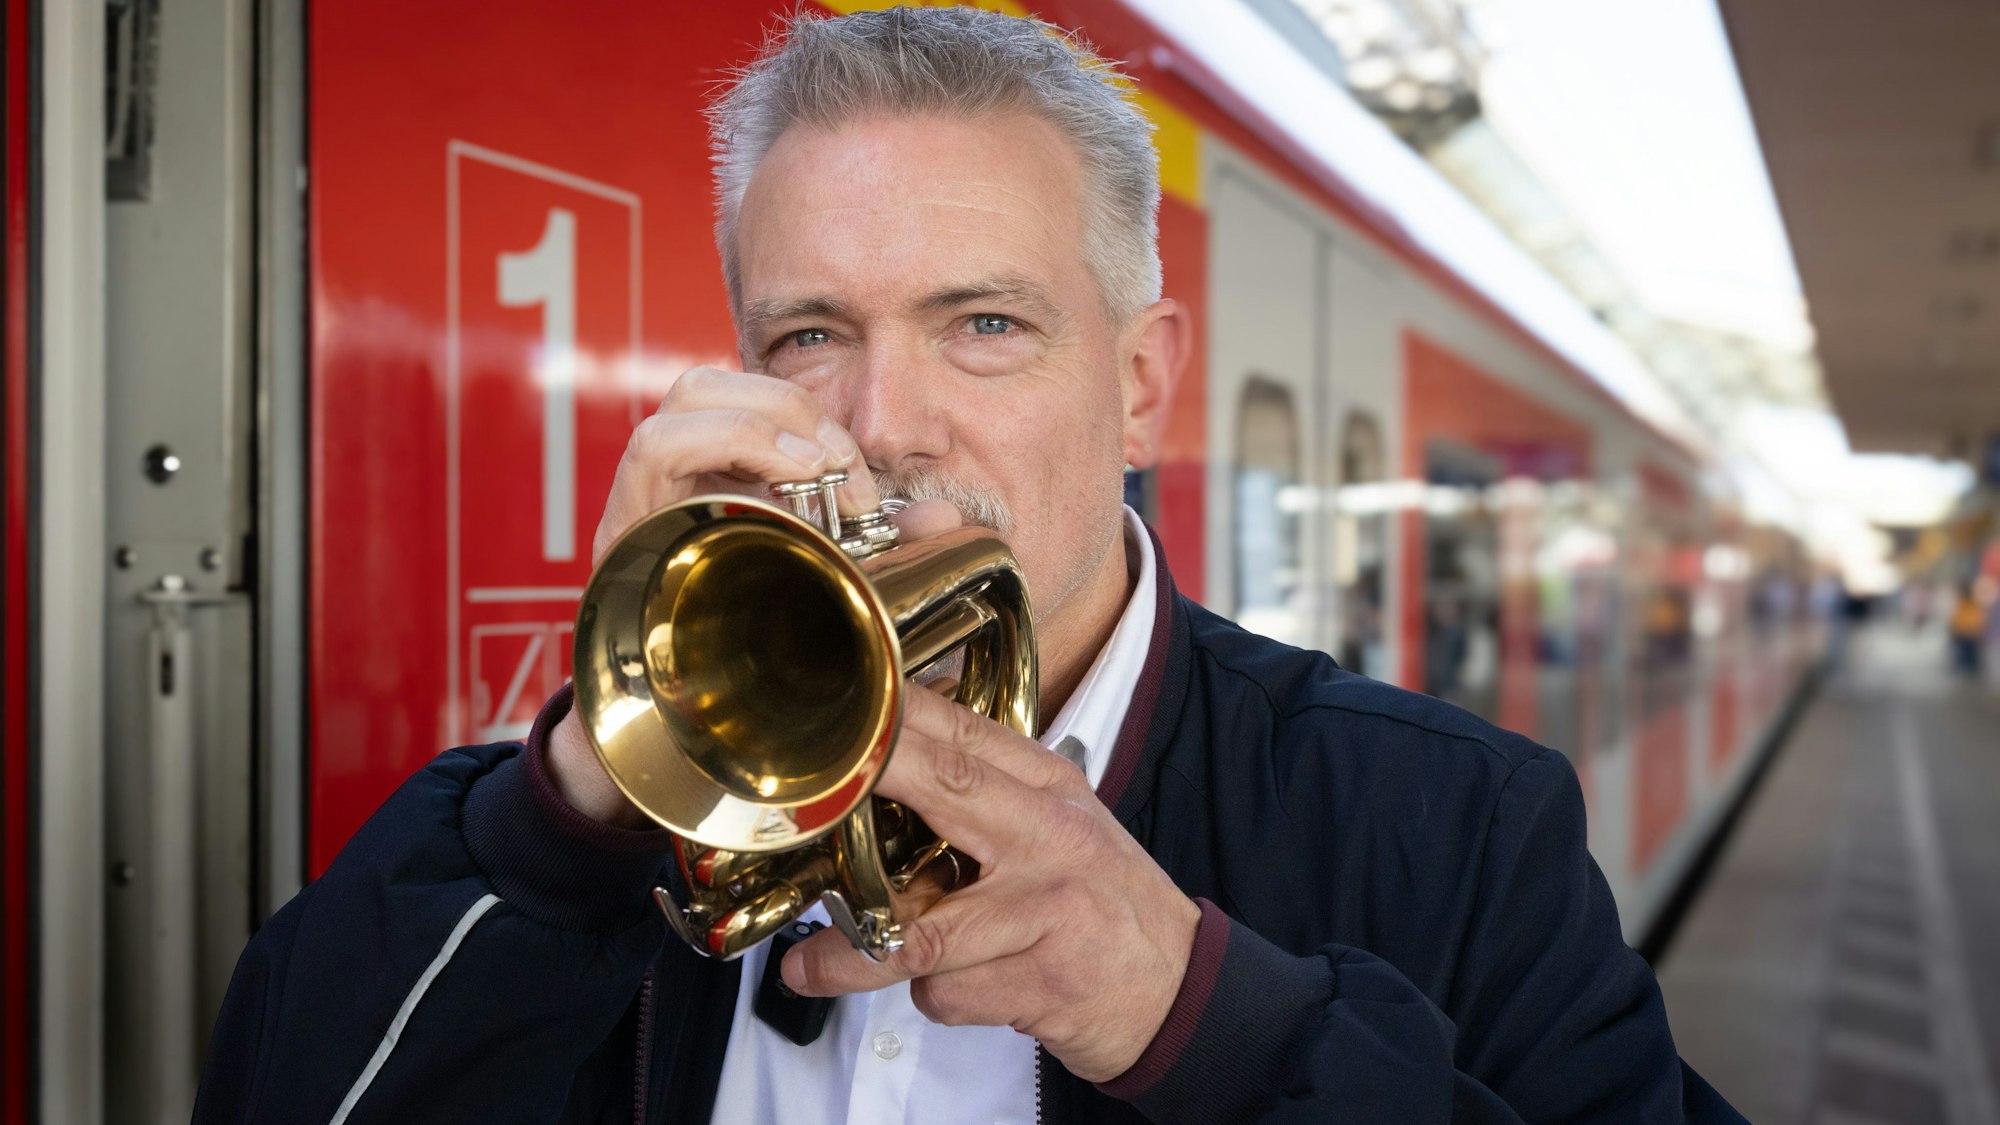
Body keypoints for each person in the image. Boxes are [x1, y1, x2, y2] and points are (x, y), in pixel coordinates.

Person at [194, 8, 1743, 1123]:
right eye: (811, 335)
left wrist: (1203, 1019)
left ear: (1140, 384)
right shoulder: (577, 807)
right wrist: (566, 821)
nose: (878, 425)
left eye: (983, 324)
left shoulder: (1457, 822)